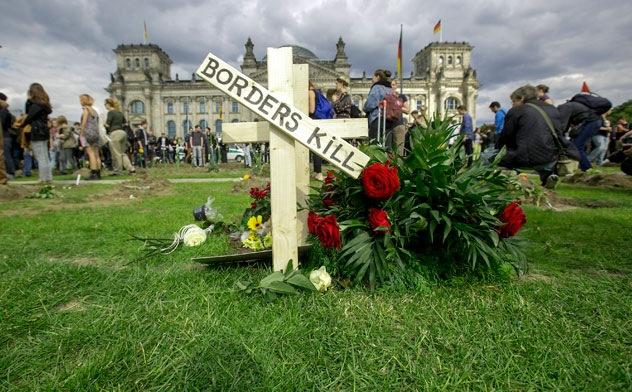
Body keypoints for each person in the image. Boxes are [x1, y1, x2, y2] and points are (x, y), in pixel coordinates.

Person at [496, 85, 563, 188]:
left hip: (524, 159)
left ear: (521, 98)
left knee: (490, 157)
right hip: (550, 159)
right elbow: (559, 133)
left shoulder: (516, 111)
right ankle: (548, 176)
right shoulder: (552, 109)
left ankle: (517, 179)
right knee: (543, 159)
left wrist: (497, 152)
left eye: (513, 101)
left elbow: (506, 137)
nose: (512, 105)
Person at [558, 96, 602, 171]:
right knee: (574, 144)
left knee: (577, 146)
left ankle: (587, 168)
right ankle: (581, 166)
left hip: (591, 122)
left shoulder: (563, 108)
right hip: (594, 122)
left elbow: (562, 125)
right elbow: (566, 126)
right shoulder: (571, 106)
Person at [22, 83, 53, 183]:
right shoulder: (44, 104)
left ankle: (43, 178)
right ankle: (48, 177)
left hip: (36, 130)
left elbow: (29, 117)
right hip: (44, 130)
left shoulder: (34, 104)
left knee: (40, 156)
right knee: (44, 155)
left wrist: (21, 125)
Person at [309, 81, 333, 180]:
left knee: (315, 147)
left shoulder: (310, 92)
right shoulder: (317, 92)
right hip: (320, 120)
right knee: (315, 146)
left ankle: (318, 173)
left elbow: (311, 110)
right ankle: (316, 172)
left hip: (315, 121)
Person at [104, 98, 135, 174]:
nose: (105, 106)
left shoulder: (110, 112)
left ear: (108, 104)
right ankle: (131, 168)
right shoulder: (120, 113)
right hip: (122, 133)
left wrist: (102, 124)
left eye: (105, 104)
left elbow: (107, 125)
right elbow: (125, 123)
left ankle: (118, 171)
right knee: (122, 153)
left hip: (114, 133)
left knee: (116, 153)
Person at [363, 69, 393, 145]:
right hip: (389, 120)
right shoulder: (390, 89)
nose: (372, 79)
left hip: (377, 119)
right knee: (386, 144)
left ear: (378, 77)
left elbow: (370, 104)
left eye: (373, 76)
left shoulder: (377, 87)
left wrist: (365, 108)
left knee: (375, 144)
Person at [78, 94, 101, 180]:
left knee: (90, 153)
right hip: (96, 133)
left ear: (83, 101)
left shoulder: (86, 110)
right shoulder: (94, 111)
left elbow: (84, 123)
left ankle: (93, 173)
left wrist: (81, 133)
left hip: (88, 133)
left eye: (80, 100)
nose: (80, 102)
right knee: (96, 154)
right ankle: (98, 173)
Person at [389, 80, 410, 155]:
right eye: (390, 84)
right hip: (386, 126)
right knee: (388, 151)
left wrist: (397, 105)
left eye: (393, 85)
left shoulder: (401, 96)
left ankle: (397, 166)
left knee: (398, 151)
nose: (392, 86)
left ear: (396, 86)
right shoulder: (385, 96)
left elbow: (407, 110)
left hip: (398, 125)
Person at [0, 92, 16, 181]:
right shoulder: (5, 110)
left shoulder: (3, 111)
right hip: (5, 136)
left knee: (5, 155)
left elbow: (1, 123)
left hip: (5, 136)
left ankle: (10, 173)